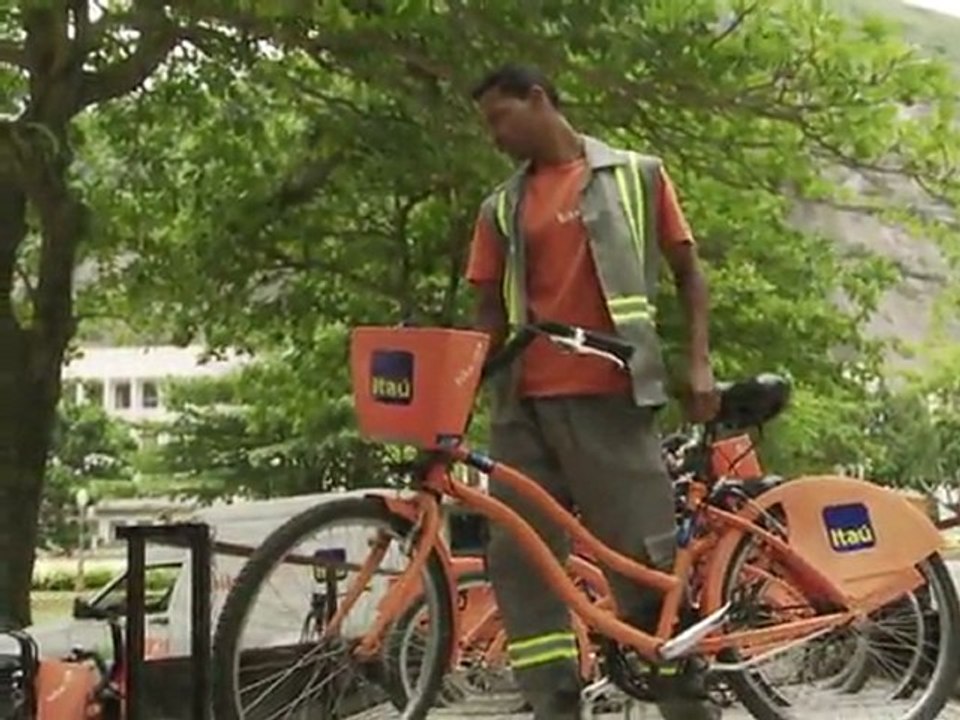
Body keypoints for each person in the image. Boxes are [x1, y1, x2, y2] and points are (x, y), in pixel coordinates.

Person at [465, 63, 721, 720]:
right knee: (523, 564)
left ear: (538, 100)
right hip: (522, 410)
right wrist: (457, 391)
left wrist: (698, 363)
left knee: (641, 562)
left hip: (612, 398)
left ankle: (687, 705)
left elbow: (690, 274)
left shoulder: (637, 175)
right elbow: (487, 315)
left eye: (500, 118)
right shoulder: (499, 208)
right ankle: (553, 704)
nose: (494, 136)